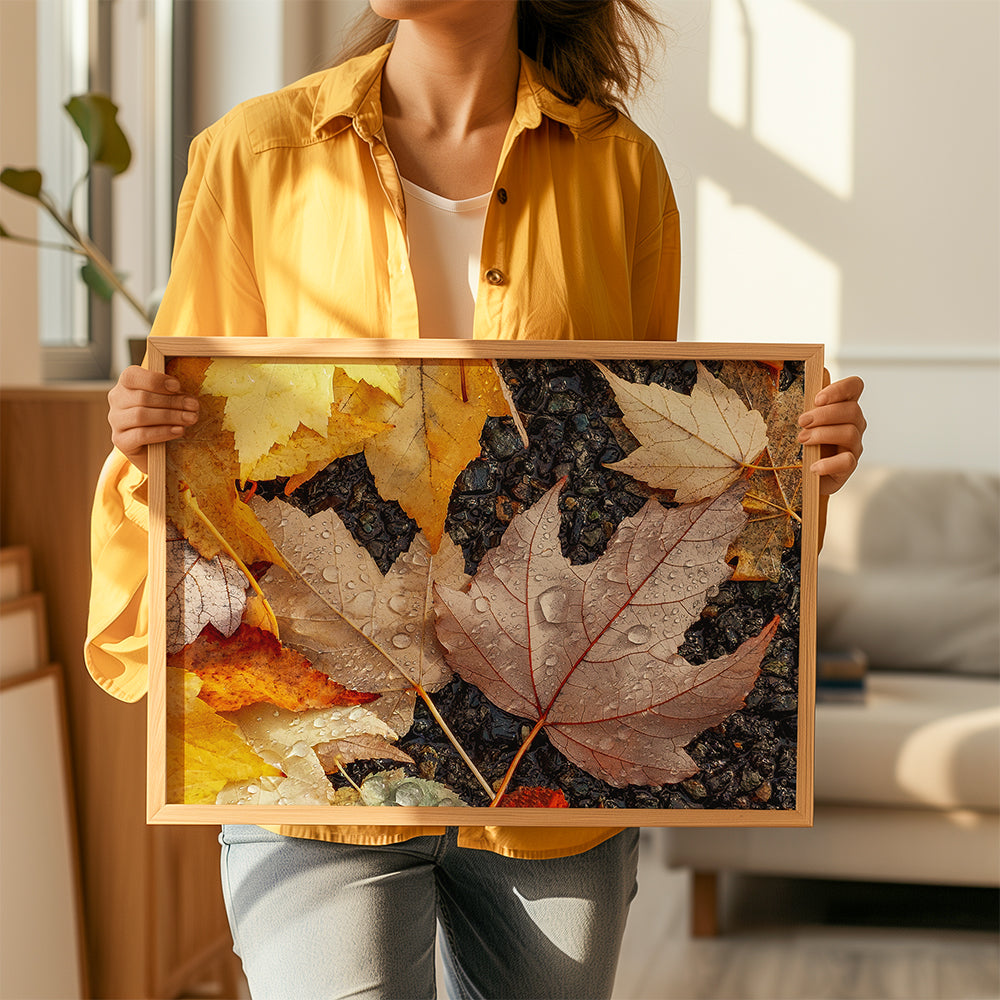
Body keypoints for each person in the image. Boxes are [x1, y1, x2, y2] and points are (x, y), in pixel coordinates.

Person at [87, 2, 866, 998]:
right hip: (322, 749)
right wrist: (151, 432)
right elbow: (201, 434)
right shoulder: (255, 154)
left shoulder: (620, 169)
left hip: (548, 776)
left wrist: (790, 469)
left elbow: (626, 462)